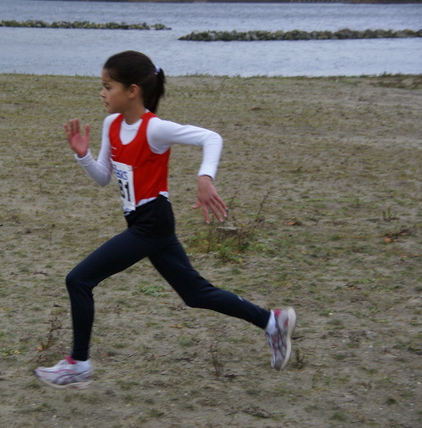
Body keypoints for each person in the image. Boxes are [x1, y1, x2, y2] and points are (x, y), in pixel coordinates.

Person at [34, 51, 296, 389]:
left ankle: (78, 364)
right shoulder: (111, 124)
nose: (101, 93)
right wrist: (82, 154)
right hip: (143, 223)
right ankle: (272, 321)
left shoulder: (154, 128)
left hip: (152, 222)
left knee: (79, 280)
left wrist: (205, 177)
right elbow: (103, 178)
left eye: (107, 86)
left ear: (132, 90)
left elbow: (211, 138)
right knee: (195, 293)